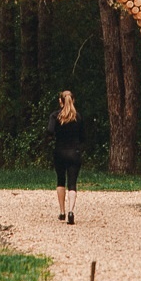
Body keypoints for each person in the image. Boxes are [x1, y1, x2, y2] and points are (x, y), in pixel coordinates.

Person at [49, 90, 83, 224]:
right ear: (73, 101)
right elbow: (83, 137)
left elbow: (49, 131)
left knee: (60, 181)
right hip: (74, 153)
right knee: (72, 183)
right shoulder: (78, 117)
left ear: (60, 101)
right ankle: (71, 212)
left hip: (59, 152)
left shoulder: (55, 116)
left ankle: (62, 212)